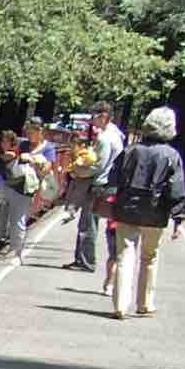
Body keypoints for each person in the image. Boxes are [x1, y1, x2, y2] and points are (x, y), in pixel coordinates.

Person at [102, 105, 185, 320]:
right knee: (149, 257)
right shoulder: (171, 155)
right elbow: (176, 189)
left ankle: (120, 305)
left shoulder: (131, 151)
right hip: (155, 212)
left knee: (124, 255)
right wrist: (177, 218)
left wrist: (110, 203)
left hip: (127, 209)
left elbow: (113, 180)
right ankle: (145, 303)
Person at [65, 100, 124, 274]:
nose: (92, 121)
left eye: (94, 116)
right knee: (91, 223)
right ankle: (83, 259)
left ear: (103, 116)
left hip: (99, 184)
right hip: (108, 183)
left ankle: (86, 261)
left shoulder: (106, 138)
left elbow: (98, 165)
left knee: (88, 223)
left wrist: (77, 170)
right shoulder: (116, 134)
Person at [0, 131, 34, 265]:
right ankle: (7, 247)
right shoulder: (3, 154)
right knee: (4, 218)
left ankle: (17, 254)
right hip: (7, 187)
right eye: (2, 141)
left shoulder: (15, 153)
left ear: (13, 142)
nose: (4, 144)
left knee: (18, 221)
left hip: (21, 190)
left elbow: (7, 157)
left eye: (7, 141)